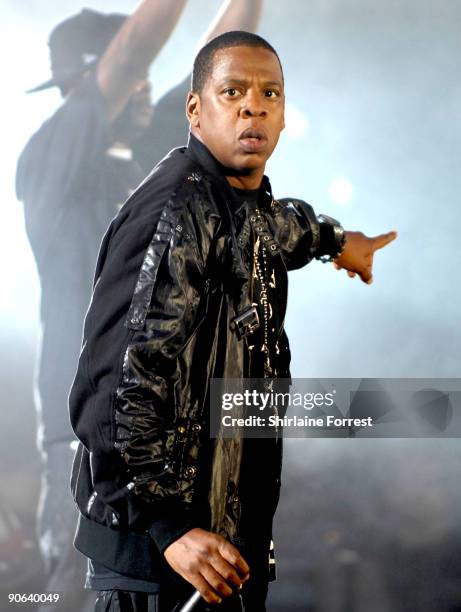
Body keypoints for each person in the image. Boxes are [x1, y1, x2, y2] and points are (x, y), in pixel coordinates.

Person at [69, 30, 397, 612]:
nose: (254, 105)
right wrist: (167, 527)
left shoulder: (242, 203)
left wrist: (340, 241)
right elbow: (116, 389)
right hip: (161, 561)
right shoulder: (174, 215)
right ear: (195, 110)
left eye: (270, 93)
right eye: (233, 91)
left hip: (222, 544)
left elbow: (280, 227)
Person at [15, 1, 263, 609]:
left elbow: (219, 63)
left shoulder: (148, 153)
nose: (149, 81)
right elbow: (132, 53)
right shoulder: (54, 156)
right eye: (134, 73)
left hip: (166, 434)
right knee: (92, 595)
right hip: (94, 440)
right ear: (85, 79)